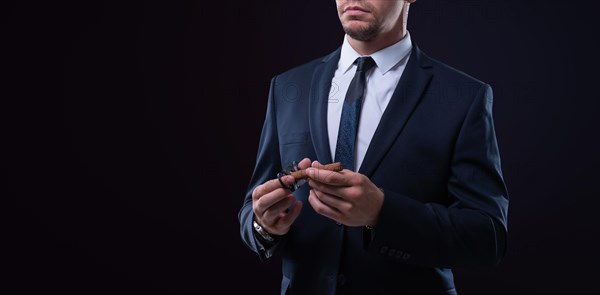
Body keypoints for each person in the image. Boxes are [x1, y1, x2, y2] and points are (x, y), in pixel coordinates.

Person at [238, 0, 509, 294]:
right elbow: (251, 210)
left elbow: (487, 237)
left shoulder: (463, 97)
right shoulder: (288, 86)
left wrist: (381, 213)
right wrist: (263, 226)